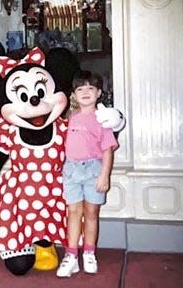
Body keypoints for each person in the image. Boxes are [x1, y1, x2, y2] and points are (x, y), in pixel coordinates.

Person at [56, 70, 119, 277]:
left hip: (93, 170)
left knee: (91, 213)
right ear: (73, 94)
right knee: (73, 213)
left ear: (98, 92)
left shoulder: (103, 119)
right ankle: (72, 254)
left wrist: (104, 175)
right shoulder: (68, 118)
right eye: (80, 88)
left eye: (90, 88)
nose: (86, 92)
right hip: (71, 170)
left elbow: (107, 149)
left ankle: (89, 253)